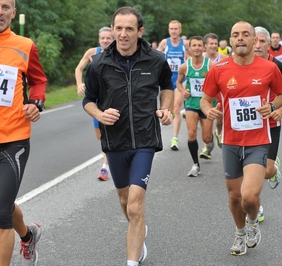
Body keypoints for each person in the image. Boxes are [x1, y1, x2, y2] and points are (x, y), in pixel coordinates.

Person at [83, 6, 173, 266]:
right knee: (125, 200)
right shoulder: (99, 63)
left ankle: (132, 261)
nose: (123, 34)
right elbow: (89, 99)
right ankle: (138, 230)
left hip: (145, 139)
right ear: (112, 30)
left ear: (139, 31)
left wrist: (165, 108)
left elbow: (167, 86)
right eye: (118, 28)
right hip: (114, 140)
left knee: (135, 204)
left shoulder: (156, 59)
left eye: (129, 29)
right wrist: (99, 115)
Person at [200, 21, 282, 256]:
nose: (240, 38)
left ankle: (251, 224)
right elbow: (205, 99)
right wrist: (208, 110)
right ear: (230, 41)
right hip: (230, 141)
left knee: (249, 196)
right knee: (234, 196)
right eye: (235, 35)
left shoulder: (270, 68)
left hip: (258, 140)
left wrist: (272, 106)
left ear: (254, 40)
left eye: (245, 35)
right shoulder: (218, 69)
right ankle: (240, 233)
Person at [0, 0, 47, 265]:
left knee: (1, 214)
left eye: (5, 7)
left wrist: (36, 103)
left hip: (13, 141)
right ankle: (28, 236)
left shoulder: (25, 46)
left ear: (13, 13)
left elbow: (38, 81)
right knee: (3, 204)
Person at [253, 26, 282, 221]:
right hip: (250, 127)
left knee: (266, 171)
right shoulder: (239, 65)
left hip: (271, 125)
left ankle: (274, 169)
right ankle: (258, 207)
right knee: (251, 171)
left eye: (262, 41)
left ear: (269, 44)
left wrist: (280, 110)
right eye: (254, 40)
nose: (257, 45)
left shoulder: (277, 66)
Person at [75, 26, 114, 181]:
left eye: (108, 38)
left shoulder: (118, 53)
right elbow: (79, 68)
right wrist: (79, 84)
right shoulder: (92, 53)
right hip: (96, 101)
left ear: (113, 39)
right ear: (99, 39)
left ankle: (105, 168)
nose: (105, 40)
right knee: (100, 136)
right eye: (103, 38)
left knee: (109, 133)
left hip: (112, 99)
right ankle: (111, 160)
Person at [176, 36, 215, 176]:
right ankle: (195, 165)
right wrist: (182, 91)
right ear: (190, 48)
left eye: (199, 45)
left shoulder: (210, 65)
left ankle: (211, 140)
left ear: (204, 47)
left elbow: (218, 83)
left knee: (206, 138)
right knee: (191, 133)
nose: (197, 48)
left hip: (207, 104)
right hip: (192, 103)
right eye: (194, 45)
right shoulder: (185, 66)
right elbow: (178, 83)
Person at [157, 20, 188, 151]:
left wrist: (186, 63)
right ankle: (173, 120)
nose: (174, 31)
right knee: (169, 110)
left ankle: (174, 138)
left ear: (180, 30)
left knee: (176, 107)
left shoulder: (185, 43)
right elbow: (156, 56)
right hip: (168, 80)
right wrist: (163, 63)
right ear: (169, 30)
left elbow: (192, 58)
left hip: (180, 80)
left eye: (176, 29)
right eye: (171, 29)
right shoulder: (165, 43)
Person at [203, 33, 229, 149]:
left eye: (215, 43)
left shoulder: (223, 59)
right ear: (205, 45)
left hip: (218, 93)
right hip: (204, 94)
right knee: (205, 119)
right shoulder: (200, 57)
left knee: (219, 120)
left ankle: (218, 133)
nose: (213, 46)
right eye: (211, 43)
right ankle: (206, 147)